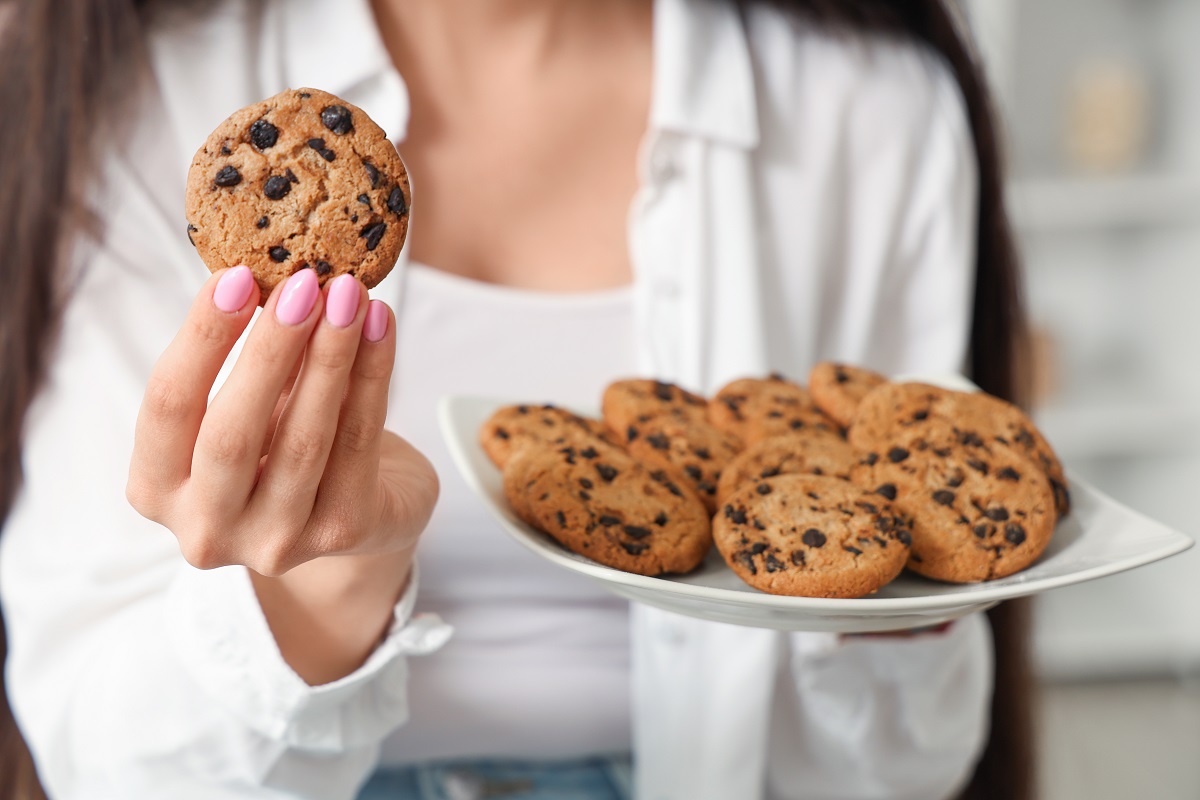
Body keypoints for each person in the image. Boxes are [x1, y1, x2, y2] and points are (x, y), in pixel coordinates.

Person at [0, 0, 1035, 798]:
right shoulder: (129, 103)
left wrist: (896, 594)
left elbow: (901, 766)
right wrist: (327, 580)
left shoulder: (876, 115)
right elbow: (109, 761)